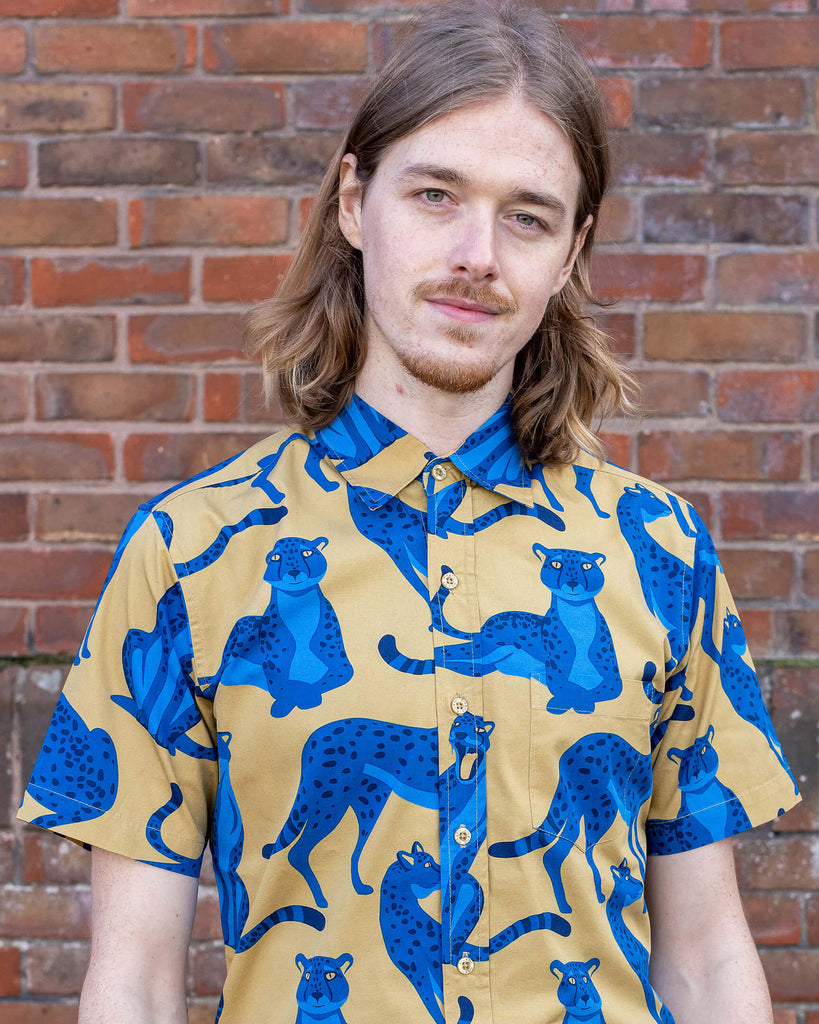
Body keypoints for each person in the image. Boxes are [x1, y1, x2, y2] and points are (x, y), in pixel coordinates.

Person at [19, 3, 800, 1023]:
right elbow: (135, 983)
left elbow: (703, 956)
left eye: (528, 215)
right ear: (355, 201)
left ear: (570, 254)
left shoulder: (661, 553)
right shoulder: (190, 553)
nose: (479, 252)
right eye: (437, 194)